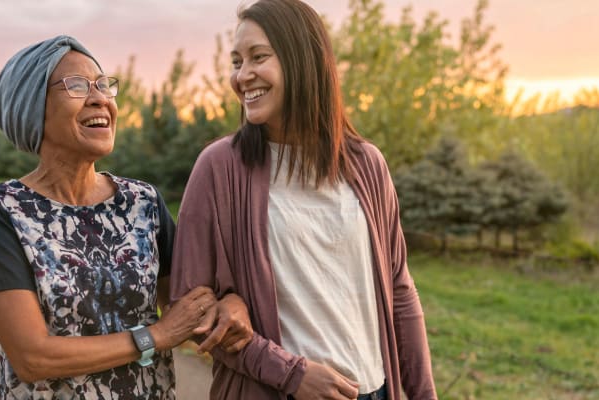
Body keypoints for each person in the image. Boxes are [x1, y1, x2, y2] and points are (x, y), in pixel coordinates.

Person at [170, 1, 439, 399]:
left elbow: (399, 290)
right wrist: (290, 373)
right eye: (236, 62)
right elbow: (190, 308)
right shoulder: (220, 168)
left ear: (303, 59)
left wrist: (423, 394)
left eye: (258, 57)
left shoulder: (367, 165)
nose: (242, 76)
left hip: (375, 390)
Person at [0, 35, 250, 399]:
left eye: (104, 84)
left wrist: (231, 303)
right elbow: (32, 357)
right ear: (32, 108)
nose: (100, 97)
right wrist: (156, 336)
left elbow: (190, 305)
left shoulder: (142, 202)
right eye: (77, 85)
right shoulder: (0, 212)